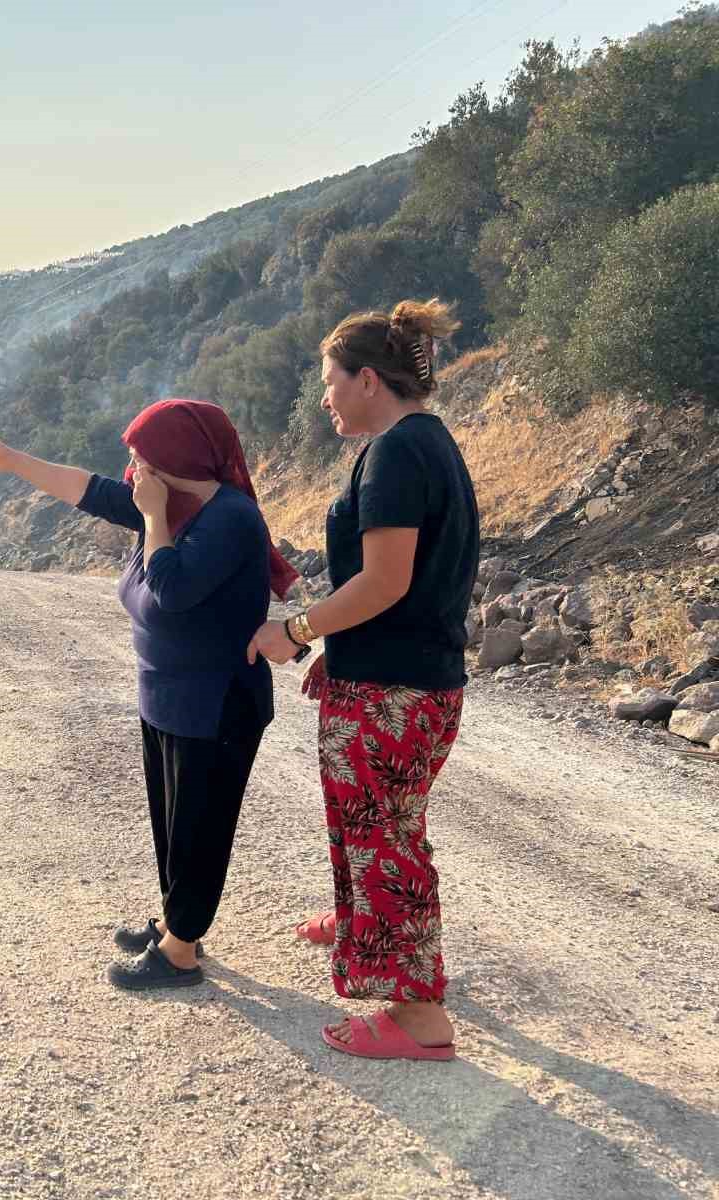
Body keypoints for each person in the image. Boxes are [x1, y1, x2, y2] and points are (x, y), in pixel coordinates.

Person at [0, 400, 298, 991]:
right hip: (167, 697)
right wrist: (13, 462)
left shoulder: (228, 518)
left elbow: (172, 588)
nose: (131, 468)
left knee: (199, 827)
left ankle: (181, 953)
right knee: (170, 823)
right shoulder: (170, 504)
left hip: (216, 703)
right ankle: (176, 923)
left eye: (141, 456)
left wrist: (155, 516)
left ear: (174, 460)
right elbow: (85, 489)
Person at [247, 298, 479, 1061]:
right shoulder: (424, 442)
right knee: (380, 829)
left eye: (330, 383)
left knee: (386, 839)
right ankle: (363, 937)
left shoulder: (395, 454)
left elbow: (383, 582)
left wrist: (297, 631)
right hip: (402, 678)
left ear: (369, 380)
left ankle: (420, 1021)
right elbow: (402, 592)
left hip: (395, 690)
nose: (325, 398)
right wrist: (338, 658)